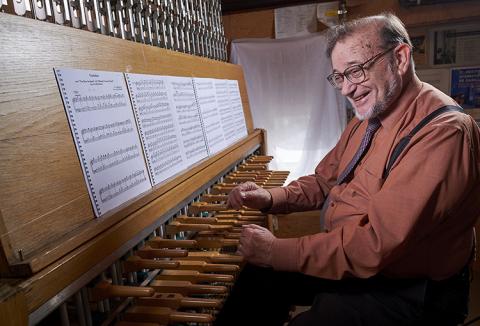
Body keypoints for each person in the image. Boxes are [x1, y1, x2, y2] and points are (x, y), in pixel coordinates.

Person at [214, 12, 480, 326]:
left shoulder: (443, 133)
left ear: (400, 57)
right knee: (253, 283)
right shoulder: (366, 118)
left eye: (354, 72)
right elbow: (324, 181)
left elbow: (373, 244)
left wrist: (275, 250)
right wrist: (270, 198)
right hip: (359, 264)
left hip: (409, 290)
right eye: (338, 77)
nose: (346, 89)